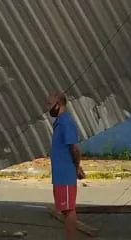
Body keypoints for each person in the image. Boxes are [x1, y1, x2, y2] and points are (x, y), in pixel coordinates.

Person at [46, 90, 84, 239]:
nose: (47, 108)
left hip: (66, 172)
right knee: (63, 208)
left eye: (49, 104)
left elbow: (75, 148)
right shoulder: (59, 123)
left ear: (59, 104)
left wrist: (76, 167)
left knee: (69, 209)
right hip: (60, 173)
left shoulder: (66, 122)